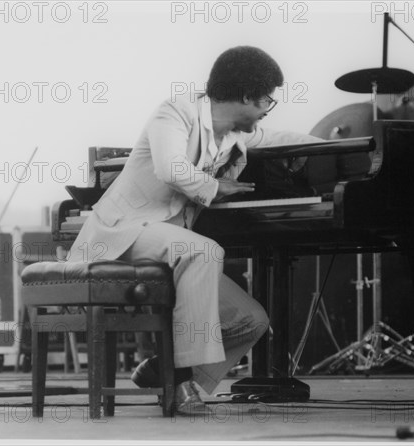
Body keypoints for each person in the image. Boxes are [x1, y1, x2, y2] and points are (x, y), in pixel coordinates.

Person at [68, 46, 321, 414]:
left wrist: (333, 143)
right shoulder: (175, 112)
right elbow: (171, 168)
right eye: (268, 99)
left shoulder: (235, 135)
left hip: (172, 244)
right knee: (203, 251)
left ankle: (164, 372)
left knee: (251, 321)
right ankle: (182, 385)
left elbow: (276, 137)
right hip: (124, 233)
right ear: (247, 96)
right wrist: (216, 187)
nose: (268, 108)